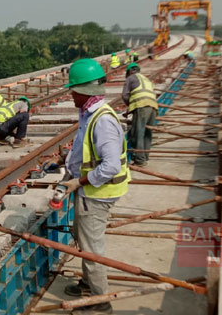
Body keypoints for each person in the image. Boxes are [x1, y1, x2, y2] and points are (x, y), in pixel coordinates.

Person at [59, 58, 131, 315]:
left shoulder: (102, 121)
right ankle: (89, 284)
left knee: (92, 248)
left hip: (98, 193)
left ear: (85, 90)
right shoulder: (89, 114)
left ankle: (100, 302)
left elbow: (110, 166)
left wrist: (78, 181)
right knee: (83, 235)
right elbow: (86, 149)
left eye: (74, 89)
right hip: (89, 190)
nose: (71, 94)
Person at [122, 63, 158, 166]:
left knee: (138, 132)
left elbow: (124, 95)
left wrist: (131, 106)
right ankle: (145, 156)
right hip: (153, 106)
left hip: (141, 106)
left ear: (129, 71)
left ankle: (139, 160)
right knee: (147, 132)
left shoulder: (130, 78)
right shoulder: (146, 79)